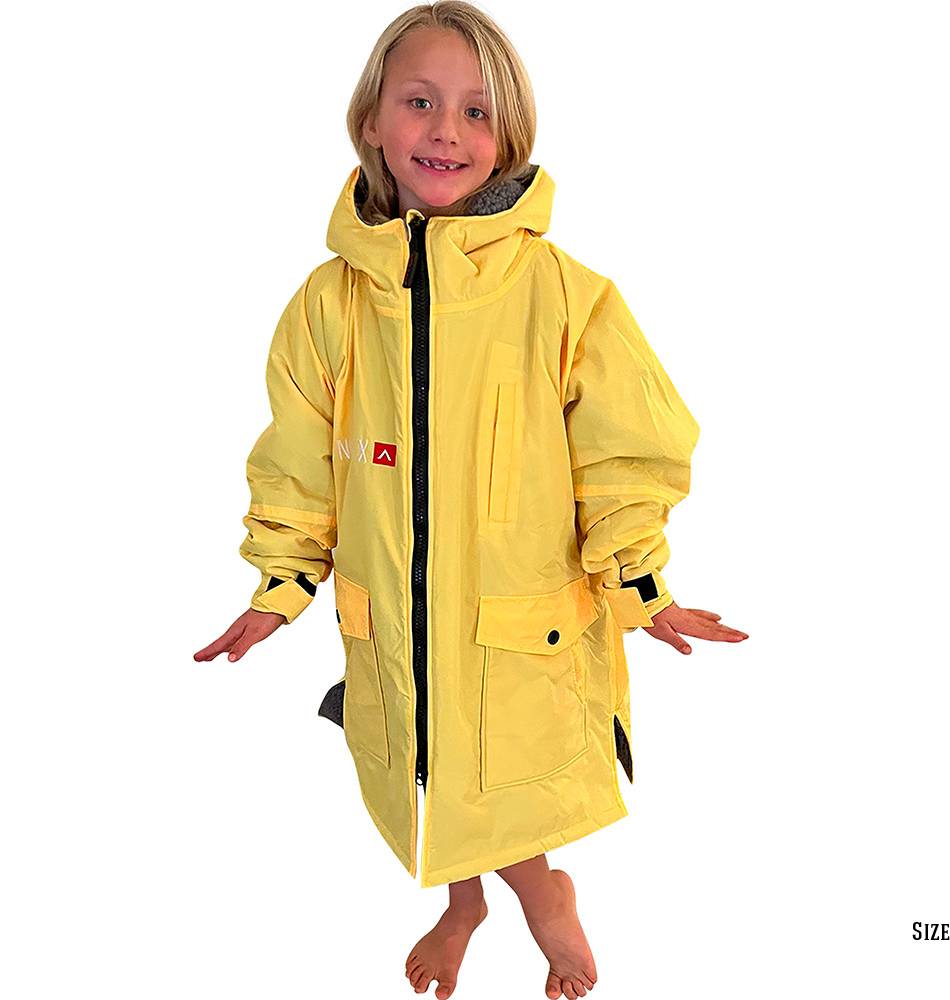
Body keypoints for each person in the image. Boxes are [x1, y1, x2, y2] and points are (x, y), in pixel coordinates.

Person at [194, 3, 748, 998]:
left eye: (476, 111)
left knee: (503, 788)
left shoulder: (566, 296)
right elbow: (296, 463)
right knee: (425, 774)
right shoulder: (326, 305)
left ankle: (545, 901)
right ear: (372, 120)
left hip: (518, 622)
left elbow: (626, 456)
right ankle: (463, 904)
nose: (445, 130)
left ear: (508, 138)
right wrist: (279, 584)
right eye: (420, 102)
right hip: (392, 619)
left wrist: (642, 582)